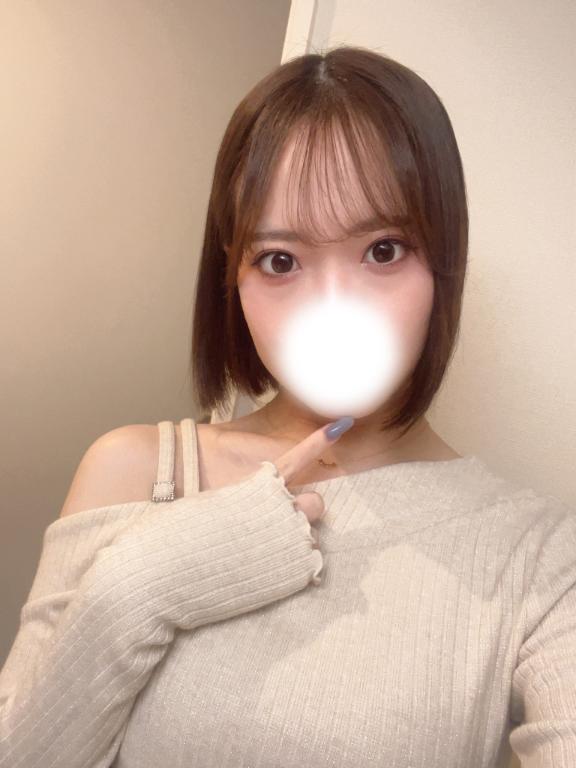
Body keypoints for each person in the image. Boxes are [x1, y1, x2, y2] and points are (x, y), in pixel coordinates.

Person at [1, 46, 575, 768]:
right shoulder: (136, 469)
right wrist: (141, 584)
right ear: (233, 277)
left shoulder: (540, 556)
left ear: (444, 258)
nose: (334, 308)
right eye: (280, 260)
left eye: (384, 249)